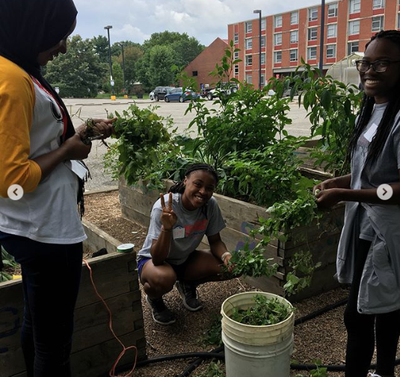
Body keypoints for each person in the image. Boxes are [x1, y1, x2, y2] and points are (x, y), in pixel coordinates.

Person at [0, 1, 114, 376]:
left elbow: (33, 142)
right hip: (43, 231)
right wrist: (68, 149)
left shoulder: (17, 70)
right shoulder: (12, 80)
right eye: (60, 35)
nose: (63, 46)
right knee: (54, 342)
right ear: (32, 25)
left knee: (39, 323)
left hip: (31, 225)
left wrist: (77, 134)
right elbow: (12, 180)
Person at [314, 30, 400, 377]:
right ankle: (384, 371)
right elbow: (371, 174)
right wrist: (339, 182)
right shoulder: (371, 110)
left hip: (386, 229)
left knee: (360, 312)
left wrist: (347, 195)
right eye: (366, 62)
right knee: (387, 303)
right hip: (365, 223)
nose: (370, 70)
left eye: (382, 63)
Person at [137, 163, 234, 325]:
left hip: (184, 259)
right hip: (154, 262)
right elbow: (157, 258)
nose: (203, 192)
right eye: (197, 184)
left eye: (209, 188)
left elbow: (215, 241)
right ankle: (155, 299)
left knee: (232, 267)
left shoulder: (210, 205)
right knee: (163, 278)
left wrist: (226, 255)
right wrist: (167, 229)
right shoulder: (165, 207)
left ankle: (187, 283)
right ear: (185, 181)